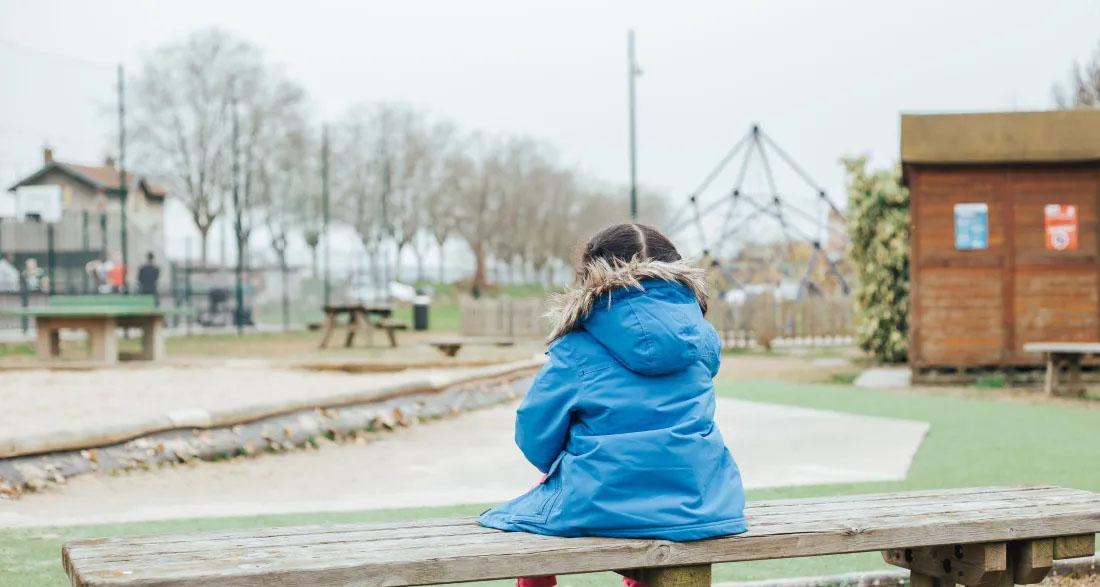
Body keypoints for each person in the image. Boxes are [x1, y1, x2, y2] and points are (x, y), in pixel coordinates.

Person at [478, 223, 747, 587]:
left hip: (599, 500)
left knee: (534, 503)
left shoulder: (575, 349)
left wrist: (560, 462)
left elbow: (534, 433)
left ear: (591, 276)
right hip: (704, 502)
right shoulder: (701, 340)